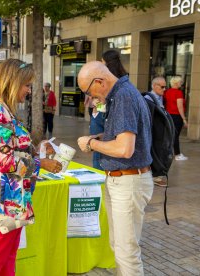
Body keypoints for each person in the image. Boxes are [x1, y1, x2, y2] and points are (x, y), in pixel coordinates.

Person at [0, 59, 62, 276]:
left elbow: (12, 149)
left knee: (7, 253)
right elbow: (3, 162)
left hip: (9, 194)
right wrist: (42, 164)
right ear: (12, 82)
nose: (29, 91)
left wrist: (37, 148)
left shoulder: (2, 109)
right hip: (6, 196)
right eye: (26, 85)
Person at [77, 61, 153, 275]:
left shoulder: (122, 97)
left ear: (99, 81)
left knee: (126, 251)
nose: (90, 98)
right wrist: (100, 137)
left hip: (128, 181)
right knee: (119, 247)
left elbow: (124, 148)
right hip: (122, 180)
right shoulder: (121, 94)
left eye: (88, 92)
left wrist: (91, 144)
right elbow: (125, 137)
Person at [164, 76, 188, 160]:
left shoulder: (166, 92)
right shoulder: (178, 93)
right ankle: (177, 154)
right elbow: (180, 106)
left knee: (169, 135)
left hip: (168, 116)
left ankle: (168, 153)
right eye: (181, 82)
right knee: (175, 136)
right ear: (177, 83)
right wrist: (184, 119)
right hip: (176, 116)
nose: (181, 84)